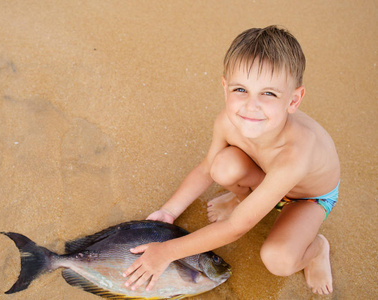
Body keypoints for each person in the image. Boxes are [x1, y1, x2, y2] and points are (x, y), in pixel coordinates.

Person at [123, 25, 340, 295]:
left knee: (278, 260)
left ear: (293, 100)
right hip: (264, 175)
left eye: (269, 93)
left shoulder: (295, 153)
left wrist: (166, 252)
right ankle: (243, 198)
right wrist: (168, 211)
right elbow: (206, 169)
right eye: (241, 89)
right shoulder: (227, 122)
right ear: (225, 87)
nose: (251, 105)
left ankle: (317, 248)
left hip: (306, 197)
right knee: (222, 166)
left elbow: (238, 226)